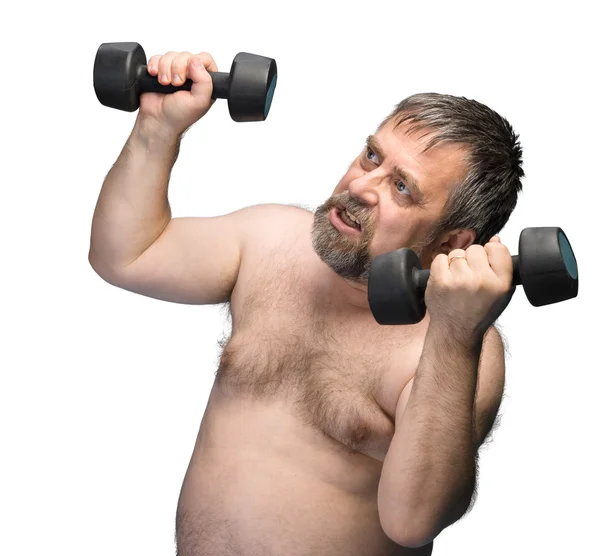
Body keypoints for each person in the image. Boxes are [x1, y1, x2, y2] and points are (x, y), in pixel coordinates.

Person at [88, 50, 524, 556]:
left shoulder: (456, 344)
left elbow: (413, 520)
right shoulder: (271, 241)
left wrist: (454, 332)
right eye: (372, 157)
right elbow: (126, 255)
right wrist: (157, 130)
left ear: (451, 244)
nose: (360, 186)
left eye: (402, 188)